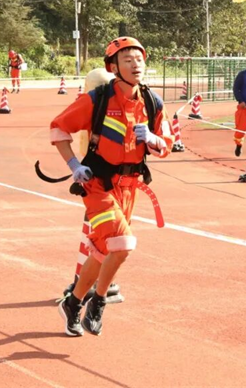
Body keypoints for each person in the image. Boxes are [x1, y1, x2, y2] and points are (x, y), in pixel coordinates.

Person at [50, 36, 174, 336]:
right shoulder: (98, 99)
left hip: (130, 187)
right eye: (127, 60)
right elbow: (58, 128)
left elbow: (166, 144)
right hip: (98, 185)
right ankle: (99, 301)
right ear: (114, 67)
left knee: (104, 250)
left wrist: (154, 140)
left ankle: (73, 303)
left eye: (139, 59)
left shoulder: (152, 102)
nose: (135, 65)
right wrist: (74, 166)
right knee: (123, 243)